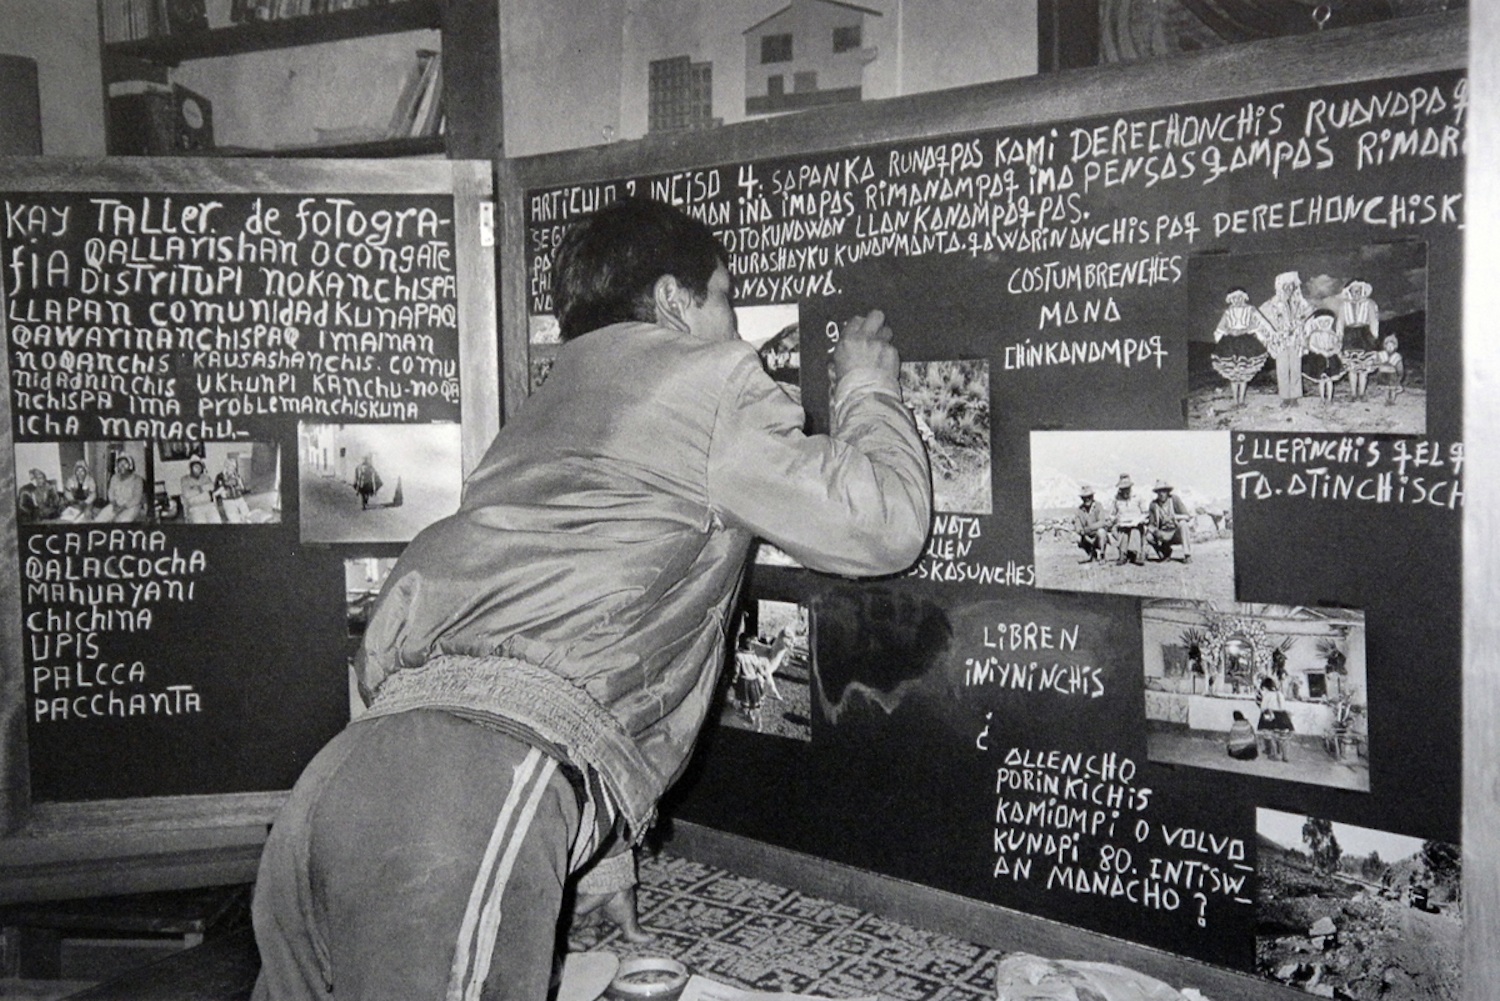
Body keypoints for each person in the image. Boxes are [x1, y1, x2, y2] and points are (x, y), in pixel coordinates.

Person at [249, 196, 932, 1001]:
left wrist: (590, 846)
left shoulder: (540, 414)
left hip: (338, 784)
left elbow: (526, 643)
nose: (738, 331)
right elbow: (885, 526)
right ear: (678, 302)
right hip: (461, 810)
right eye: (727, 303)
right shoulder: (707, 377)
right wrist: (866, 391)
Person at [1208, 288, 1272, 407]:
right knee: (1233, 374)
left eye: (1239, 297)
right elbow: (1221, 327)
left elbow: (1257, 324)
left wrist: (1253, 332)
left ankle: (1241, 400)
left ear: (1243, 298)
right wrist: (1228, 331)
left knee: (1244, 374)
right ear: (1231, 299)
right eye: (1234, 298)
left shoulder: (1250, 309)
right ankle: (1235, 400)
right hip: (1230, 343)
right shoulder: (1228, 312)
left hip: (1245, 343)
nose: (1237, 300)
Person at [1260, 271, 1313, 408]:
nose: (1289, 289)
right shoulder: (1272, 303)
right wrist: (1275, 332)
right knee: (1282, 368)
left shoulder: (1300, 302)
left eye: (1292, 287)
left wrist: (1300, 327)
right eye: (1286, 287)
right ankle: (1285, 397)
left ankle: (1294, 396)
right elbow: (1262, 318)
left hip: (1295, 340)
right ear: (1281, 287)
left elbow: (1310, 315)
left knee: (1295, 367)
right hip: (1281, 341)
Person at [1336, 279, 1381, 401]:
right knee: (1352, 367)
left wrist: (1374, 337)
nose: (1356, 294)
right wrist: (1339, 337)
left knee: (1364, 368)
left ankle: (1362, 393)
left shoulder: (1370, 303)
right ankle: (1353, 394)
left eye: (1358, 291)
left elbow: (1373, 320)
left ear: (1362, 291)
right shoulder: (1344, 305)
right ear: (1349, 292)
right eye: (1353, 291)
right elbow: (1340, 322)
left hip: (1364, 335)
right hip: (1350, 336)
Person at [1300, 309, 1345, 404]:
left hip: (1331, 358)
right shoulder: (1315, 334)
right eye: (1321, 322)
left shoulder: (1333, 334)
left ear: (1330, 322)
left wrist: (1333, 351)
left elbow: (1337, 345)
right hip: (1319, 359)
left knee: (1329, 380)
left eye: (1326, 321)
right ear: (1317, 323)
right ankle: (1322, 398)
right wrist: (1320, 351)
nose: (1324, 324)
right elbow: (1311, 345)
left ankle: (1329, 398)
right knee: (1321, 380)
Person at [1144, 479, 1192, 564]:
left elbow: (1187, 516)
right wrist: (1154, 531)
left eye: (1164, 491)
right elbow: (1151, 524)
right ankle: (1164, 553)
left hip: (1175, 533)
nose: (1161, 494)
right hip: (1162, 534)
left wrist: (1175, 517)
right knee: (1148, 536)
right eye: (1159, 492)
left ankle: (1187, 555)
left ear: (1167, 492)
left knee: (1183, 524)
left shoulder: (1174, 500)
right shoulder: (1153, 505)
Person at [93, 454, 146, 523]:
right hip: (116, 505)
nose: (122, 466)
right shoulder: (114, 477)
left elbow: (136, 498)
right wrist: (114, 504)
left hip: (131, 507)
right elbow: (110, 492)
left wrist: (123, 508)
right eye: (120, 464)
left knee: (121, 522)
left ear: (130, 466)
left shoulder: (137, 480)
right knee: (99, 520)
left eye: (125, 464)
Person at [1108, 474, 1146, 566]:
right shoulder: (1116, 499)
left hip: (1136, 524)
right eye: (1123, 489)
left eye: (1127, 488)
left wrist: (1138, 520)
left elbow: (1145, 513)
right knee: (1123, 532)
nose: (1125, 491)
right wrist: (1115, 520)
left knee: (1135, 531)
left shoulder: (1138, 497)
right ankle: (1123, 554)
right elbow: (1112, 514)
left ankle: (1136, 554)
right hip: (1122, 525)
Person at [1257, 675, 1294, 761]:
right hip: (1283, 717)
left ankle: (1273, 755)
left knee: (1270, 736)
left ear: (1266, 687)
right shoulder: (1279, 693)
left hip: (1271, 716)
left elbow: (1263, 707)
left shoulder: (1268, 695)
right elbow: (1283, 706)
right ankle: (1285, 757)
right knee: (1283, 738)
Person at [1072, 484, 1109, 563]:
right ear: (1082, 498)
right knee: (1077, 537)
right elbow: (1077, 525)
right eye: (1084, 498)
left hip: (1097, 534)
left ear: (1092, 496)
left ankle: (1102, 555)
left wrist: (1089, 528)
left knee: (1101, 532)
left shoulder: (1098, 506)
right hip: (1086, 536)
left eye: (1089, 497)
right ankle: (1091, 553)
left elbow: (1102, 522)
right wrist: (1082, 532)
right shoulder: (1079, 510)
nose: (1087, 499)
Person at [180, 459, 221, 524]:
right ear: (191, 468)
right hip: (195, 508)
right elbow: (187, 494)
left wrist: (195, 488)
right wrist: (204, 488)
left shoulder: (205, 477)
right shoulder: (185, 479)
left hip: (209, 505)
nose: (198, 469)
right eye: (195, 467)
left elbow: (212, 486)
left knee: (217, 521)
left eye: (199, 467)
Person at [213, 456, 252, 523]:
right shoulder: (220, 476)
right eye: (230, 467)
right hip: (228, 501)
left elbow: (242, 488)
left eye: (234, 467)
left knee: (248, 517)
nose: (232, 469)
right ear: (226, 467)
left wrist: (240, 485)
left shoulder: (237, 475)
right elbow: (215, 493)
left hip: (239, 498)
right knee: (235, 520)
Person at [1373, 334, 1405, 405]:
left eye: (1392, 346)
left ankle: (1392, 400)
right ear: (1385, 346)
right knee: (1386, 388)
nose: (1390, 348)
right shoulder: (1381, 354)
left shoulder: (1397, 356)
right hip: (1383, 374)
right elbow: (1376, 363)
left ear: (1395, 347)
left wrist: (1400, 375)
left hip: (1392, 375)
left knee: (1393, 388)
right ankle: (1387, 400)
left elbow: (1400, 367)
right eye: (1388, 346)